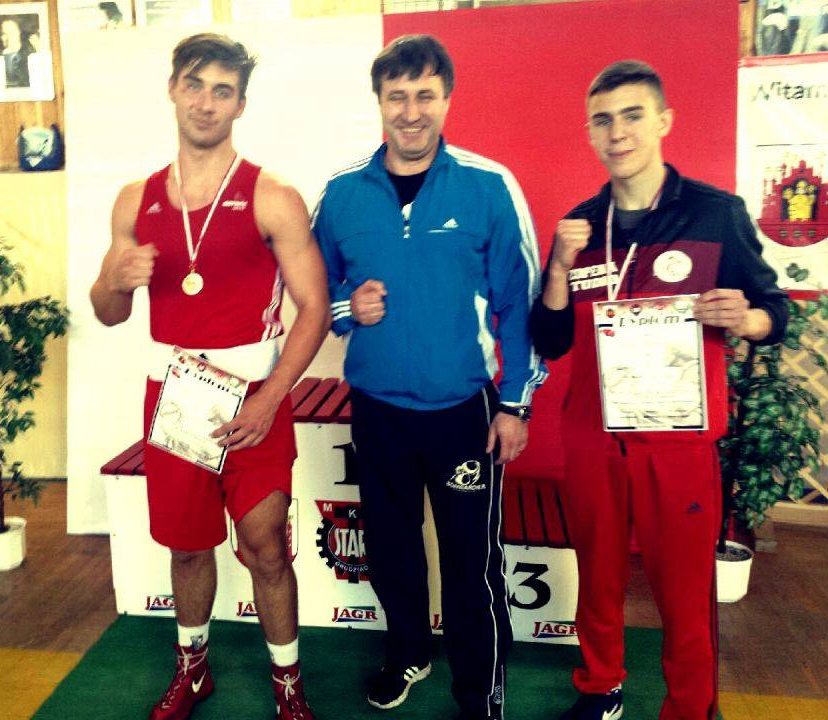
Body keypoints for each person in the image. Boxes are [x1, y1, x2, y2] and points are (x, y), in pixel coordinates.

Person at [528, 60, 788, 720]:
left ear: (664, 121)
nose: (617, 132)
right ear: (590, 132)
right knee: (598, 573)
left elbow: (773, 311)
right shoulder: (580, 226)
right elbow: (550, 340)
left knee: (684, 588)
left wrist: (746, 319)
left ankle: (691, 705)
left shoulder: (715, 214)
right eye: (602, 120)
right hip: (593, 435)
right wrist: (557, 268)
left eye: (632, 115)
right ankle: (601, 686)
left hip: (677, 439)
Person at [90, 33, 329, 720]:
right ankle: (193, 671)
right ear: (173, 88)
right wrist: (114, 280)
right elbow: (108, 312)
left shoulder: (273, 195)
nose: (205, 102)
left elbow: (314, 307)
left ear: (241, 105)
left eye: (222, 91)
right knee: (189, 548)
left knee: (266, 547)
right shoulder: (135, 200)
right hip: (175, 400)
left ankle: (288, 683)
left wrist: (272, 399)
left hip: (254, 399)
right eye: (194, 85)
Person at [313, 34, 545, 720]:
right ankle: (407, 652)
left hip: (462, 411)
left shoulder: (488, 185)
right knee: (390, 548)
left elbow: (520, 301)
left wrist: (514, 405)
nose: (410, 112)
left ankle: (479, 692)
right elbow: (310, 289)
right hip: (377, 408)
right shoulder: (342, 193)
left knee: (471, 563)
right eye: (397, 97)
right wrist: (345, 308)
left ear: (447, 99)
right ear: (379, 102)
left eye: (424, 96)